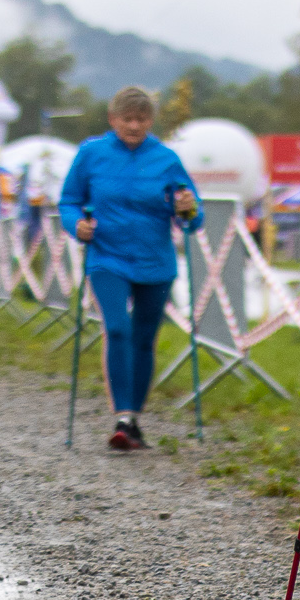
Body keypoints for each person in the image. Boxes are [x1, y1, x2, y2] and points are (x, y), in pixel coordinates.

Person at [59, 86, 201, 451]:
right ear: (113, 119)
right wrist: (76, 225)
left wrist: (187, 207)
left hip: (156, 263)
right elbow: (69, 201)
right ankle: (122, 416)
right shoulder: (91, 154)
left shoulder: (166, 159)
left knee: (144, 339)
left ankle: (133, 419)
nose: (134, 126)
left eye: (141, 119)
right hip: (107, 258)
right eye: (127, 119)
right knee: (117, 329)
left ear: (151, 121)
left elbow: (192, 218)